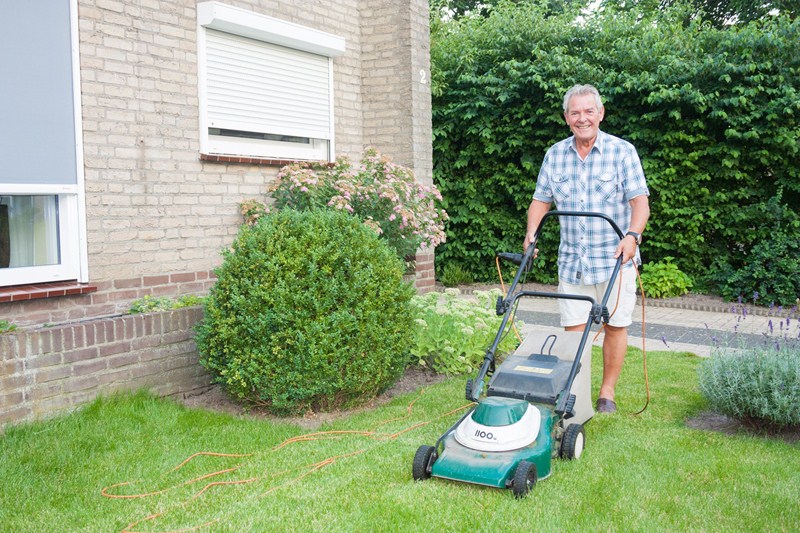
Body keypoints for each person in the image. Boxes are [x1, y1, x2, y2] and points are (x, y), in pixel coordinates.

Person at [524, 84, 650, 414]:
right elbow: (540, 200)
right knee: (573, 331)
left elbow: (640, 203)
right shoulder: (555, 155)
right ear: (566, 118)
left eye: (589, 112)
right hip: (573, 261)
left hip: (615, 259)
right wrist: (531, 234)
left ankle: (607, 392)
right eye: (575, 113)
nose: (583, 119)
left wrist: (632, 236)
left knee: (615, 325)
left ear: (601, 114)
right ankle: (576, 393)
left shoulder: (622, 151)